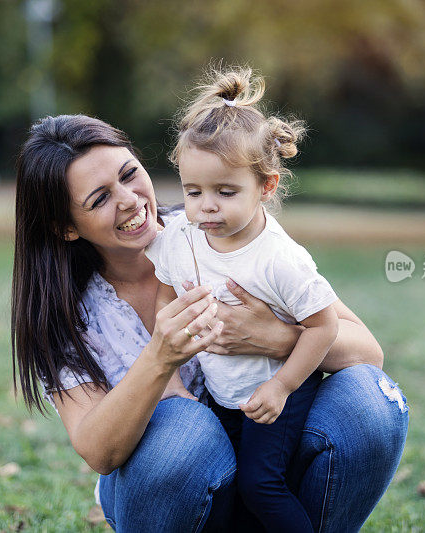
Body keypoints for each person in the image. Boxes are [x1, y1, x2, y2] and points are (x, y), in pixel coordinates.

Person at [11, 113, 409, 532]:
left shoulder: (218, 227)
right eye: (99, 199)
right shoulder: (65, 313)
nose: (129, 199)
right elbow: (98, 451)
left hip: (267, 457)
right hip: (172, 490)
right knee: (184, 426)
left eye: (130, 174)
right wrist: (160, 360)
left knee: (371, 401)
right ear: (66, 228)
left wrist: (276, 338)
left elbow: (368, 352)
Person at [145, 68, 338, 532]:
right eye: (193, 192)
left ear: (266, 187)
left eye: (225, 192)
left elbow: (324, 326)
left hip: (275, 389)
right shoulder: (183, 239)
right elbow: (166, 293)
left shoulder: (279, 259)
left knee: (261, 486)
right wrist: (175, 334)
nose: (206, 206)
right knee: (230, 491)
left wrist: (282, 387)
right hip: (223, 391)